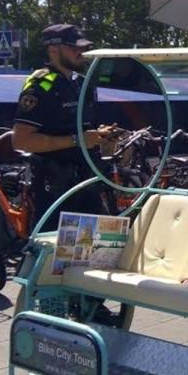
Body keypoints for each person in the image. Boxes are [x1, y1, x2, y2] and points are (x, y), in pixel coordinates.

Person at [12, 24, 115, 226]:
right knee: (56, 243)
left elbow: (85, 130)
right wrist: (78, 140)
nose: (81, 52)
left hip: (87, 182)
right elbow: (21, 141)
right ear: (53, 50)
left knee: (100, 243)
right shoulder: (40, 86)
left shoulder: (81, 84)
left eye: (83, 48)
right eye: (74, 48)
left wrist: (103, 136)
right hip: (56, 187)